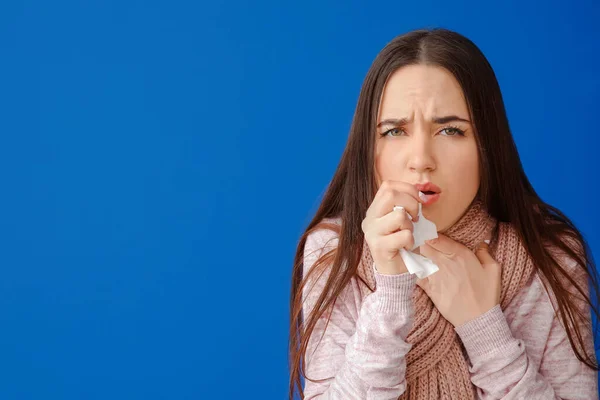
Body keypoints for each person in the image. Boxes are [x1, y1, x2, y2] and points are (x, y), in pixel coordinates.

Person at [288, 28, 600, 399]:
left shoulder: (550, 255)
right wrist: (390, 289)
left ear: (487, 143)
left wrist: (483, 326)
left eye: (451, 130)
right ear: (367, 149)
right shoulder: (333, 251)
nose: (421, 160)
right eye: (394, 131)